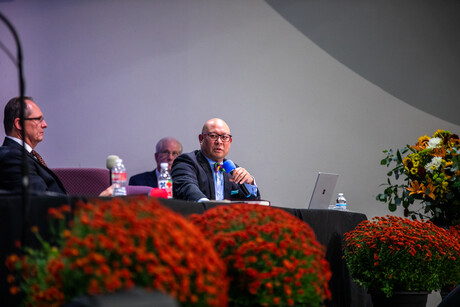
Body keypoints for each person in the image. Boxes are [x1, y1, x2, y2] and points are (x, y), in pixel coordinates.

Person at [171, 118, 260, 201]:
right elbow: (187, 187)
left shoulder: (232, 169)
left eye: (224, 137)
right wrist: (206, 205)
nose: (219, 141)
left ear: (230, 141)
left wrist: (250, 184)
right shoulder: (187, 162)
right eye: (213, 136)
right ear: (201, 139)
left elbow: (251, 204)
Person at [0, 96, 67, 194]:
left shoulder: (23, 155)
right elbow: (41, 200)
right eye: (39, 119)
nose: (45, 124)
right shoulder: (13, 158)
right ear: (19, 124)